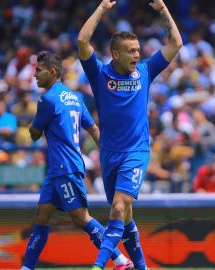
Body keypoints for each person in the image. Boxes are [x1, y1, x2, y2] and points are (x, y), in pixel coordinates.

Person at [78, 0, 182, 269]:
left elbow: (175, 44)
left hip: (136, 152)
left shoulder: (145, 71)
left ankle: (98, 265)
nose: (137, 55)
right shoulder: (100, 75)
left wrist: (162, 10)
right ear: (115, 54)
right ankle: (141, 266)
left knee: (120, 207)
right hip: (109, 154)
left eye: (138, 50)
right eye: (130, 51)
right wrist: (101, 8)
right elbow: (82, 41)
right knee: (123, 217)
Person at [21, 51, 132, 270]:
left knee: (82, 218)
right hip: (59, 169)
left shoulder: (48, 99)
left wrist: (33, 125)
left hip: (65, 167)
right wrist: (110, 154)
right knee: (41, 217)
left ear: (53, 71)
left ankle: (120, 260)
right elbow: (93, 128)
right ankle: (27, 268)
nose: (35, 75)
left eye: (39, 70)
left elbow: (34, 133)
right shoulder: (75, 98)